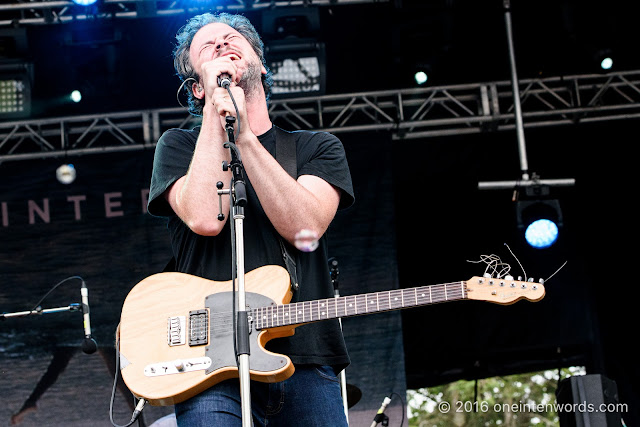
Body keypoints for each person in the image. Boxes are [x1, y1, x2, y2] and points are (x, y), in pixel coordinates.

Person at [147, 12, 355, 427]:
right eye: (208, 48)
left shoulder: (316, 147)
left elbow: (306, 229)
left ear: (260, 64)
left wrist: (243, 135)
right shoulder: (176, 147)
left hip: (306, 359)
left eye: (232, 38)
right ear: (196, 88)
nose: (223, 46)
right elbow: (206, 218)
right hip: (209, 365)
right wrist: (218, 119)